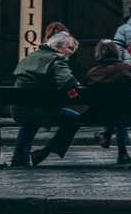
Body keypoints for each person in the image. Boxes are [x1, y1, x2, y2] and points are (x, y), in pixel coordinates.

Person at [10, 31, 82, 167]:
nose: (71, 52)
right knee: (75, 119)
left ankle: (19, 158)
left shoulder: (31, 56)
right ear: (58, 46)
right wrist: (75, 84)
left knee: (30, 117)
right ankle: (45, 152)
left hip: (18, 110)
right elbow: (67, 82)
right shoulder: (57, 59)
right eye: (70, 48)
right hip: (39, 109)